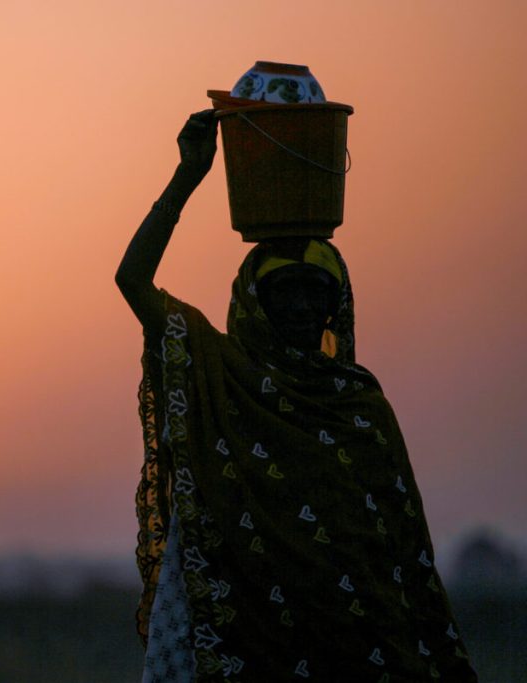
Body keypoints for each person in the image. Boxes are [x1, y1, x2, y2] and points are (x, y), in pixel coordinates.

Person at [115, 110, 478, 682]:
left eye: (320, 294)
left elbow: (403, 565)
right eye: (289, 293)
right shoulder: (224, 374)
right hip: (253, 648)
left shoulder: (361, 408)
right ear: (256, 303)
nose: (308, 310)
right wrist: (189, 175)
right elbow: (133, 281)